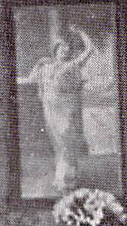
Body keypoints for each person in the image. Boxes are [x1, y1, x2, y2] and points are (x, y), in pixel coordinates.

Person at [18, 26, 95, 192]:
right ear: (56, 51)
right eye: (62, 49)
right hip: (50, 110)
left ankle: (66, 180)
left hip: (66, 109)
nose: (65, 52)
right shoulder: (45, 66)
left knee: (67, 143)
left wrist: (81, 32)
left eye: (67, 50)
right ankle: (63, 179)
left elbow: (89, 50)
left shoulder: (71, 66)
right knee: (59, 146)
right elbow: (29, 80)